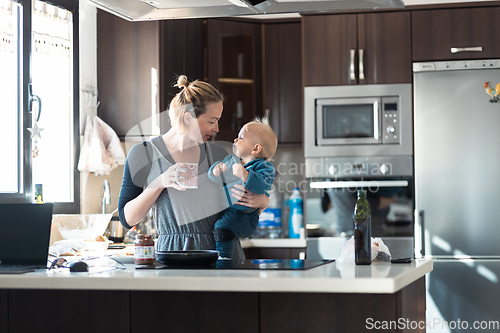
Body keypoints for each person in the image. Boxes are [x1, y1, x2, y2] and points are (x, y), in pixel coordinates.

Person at [117, 75, 270, 262]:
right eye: (212, 121)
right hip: (174, 256)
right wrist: (160, 182)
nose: (217, 129)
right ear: (188, 118)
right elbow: (127, 219)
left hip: (222, 258)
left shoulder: (218, 155)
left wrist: (261, 202)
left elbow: (239, 207)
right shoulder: (143, 153)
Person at [208, 118, 277, 258]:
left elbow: (262, 186)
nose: (235, 140)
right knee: (219, 226)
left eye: (241, 138)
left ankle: (224, 258)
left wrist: (246, 175)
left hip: (244, 217)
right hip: (227, 209)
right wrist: (215, 171)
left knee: (221, 228)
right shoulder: (230, 160)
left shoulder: (264, 167)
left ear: (256, 148)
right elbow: (215, 179)